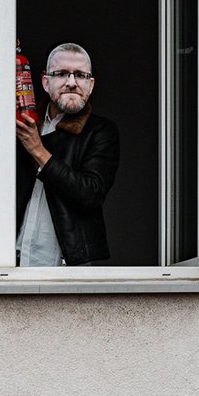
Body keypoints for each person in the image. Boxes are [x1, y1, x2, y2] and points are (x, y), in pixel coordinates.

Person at [15, 42, 120, 266]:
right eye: (61, 74)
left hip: (67, 266)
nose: (71, 83)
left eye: (80, 75)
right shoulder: (23, 125)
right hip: (10, 262)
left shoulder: (101, 131)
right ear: (45, 81)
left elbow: (91, 193)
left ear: (90, 85)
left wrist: (37, 150)